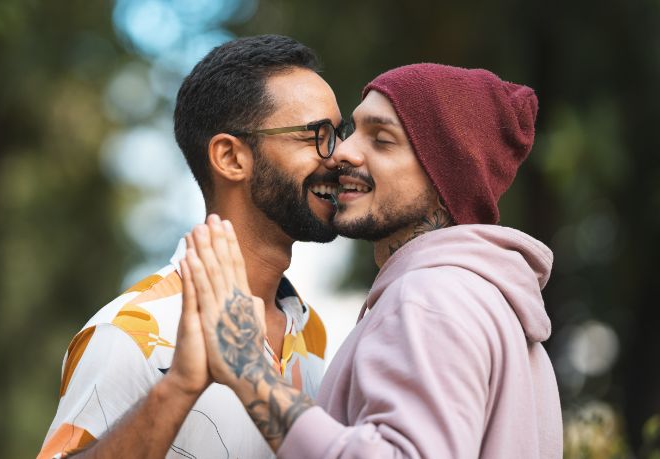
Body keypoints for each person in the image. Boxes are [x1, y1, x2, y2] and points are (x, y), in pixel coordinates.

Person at [180, 63, 563, 458]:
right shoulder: (494, 307)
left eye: (382, 140)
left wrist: (247, 370)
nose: (342, 151)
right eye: (352, 131)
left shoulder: (429, 297)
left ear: (444, 180)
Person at [36, 35, 345, 459]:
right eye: (318, 135)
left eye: (339, 134)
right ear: (231, 158)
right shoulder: (130, 332)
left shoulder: (312, 333)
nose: (342, 156)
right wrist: (179, 383)